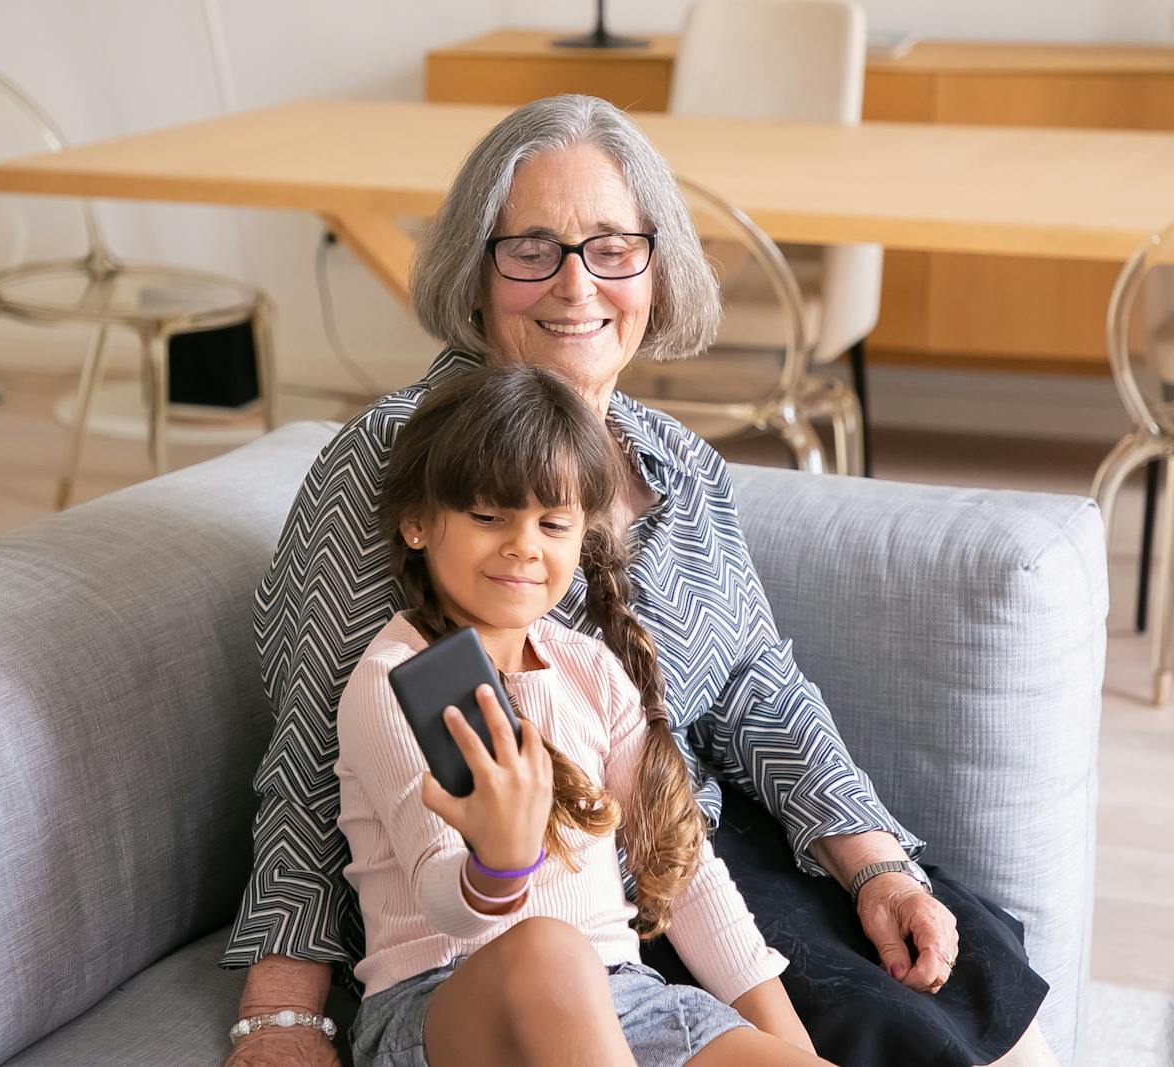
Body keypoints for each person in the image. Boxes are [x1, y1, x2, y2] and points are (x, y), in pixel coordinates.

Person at [221, 93, 1053, 1067]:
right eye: (531, 248)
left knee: (973, 957)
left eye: (612, 248)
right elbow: (313, 752)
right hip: (513, 906)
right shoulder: (395, 462)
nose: (576, 286)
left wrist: (874, 860)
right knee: (895, 1029)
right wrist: (282, 1007)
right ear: (476, 274)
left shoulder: (680, 465)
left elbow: (759, 690)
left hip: (684, 849)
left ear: (655, 271)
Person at [338, 362, 831, 1066]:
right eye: (487, 516)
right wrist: (500, 865)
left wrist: (794, 1049)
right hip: (445, 1005)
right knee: (549, 948)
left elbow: (688, 878)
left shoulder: (590, 667)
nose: (523, 545)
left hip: (627, 1001)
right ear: (417, 522)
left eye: (553, 522)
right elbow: (440, 892)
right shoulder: (400, 678)